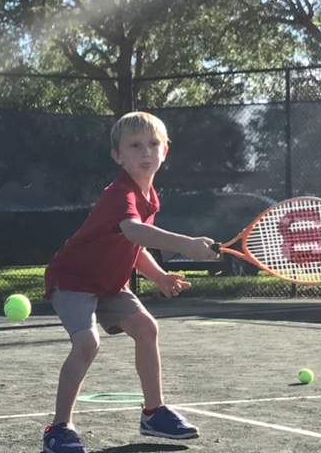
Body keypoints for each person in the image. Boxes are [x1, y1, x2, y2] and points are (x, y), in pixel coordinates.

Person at [42, 112, 218, 453]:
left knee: (147, 328)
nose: (146, 152)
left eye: (153, 144)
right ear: (117, 156)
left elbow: (133, 247)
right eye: (135, 146)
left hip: (109, 284)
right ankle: (59, 428)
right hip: (73, 280)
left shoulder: (150, 197)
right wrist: (187, 244)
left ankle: (154, 412)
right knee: (87, 344)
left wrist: (160, 276)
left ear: (166, 151)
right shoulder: (119, 193)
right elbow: (134, 231)